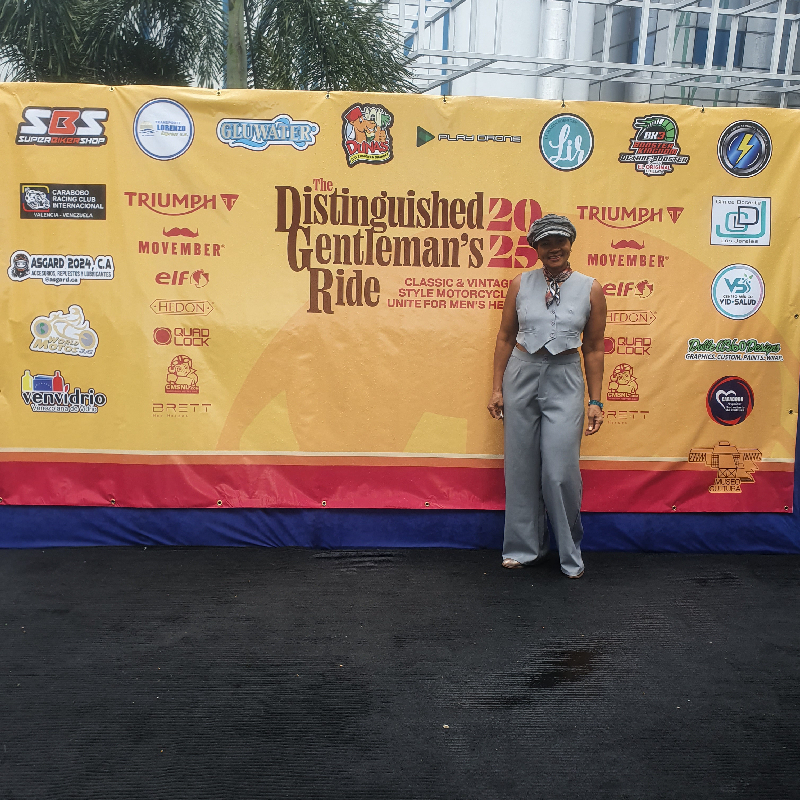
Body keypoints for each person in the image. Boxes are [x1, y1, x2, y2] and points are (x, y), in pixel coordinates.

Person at [487, 214, 606, 578]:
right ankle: (523, 549)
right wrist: (496, 388)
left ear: (570, 244)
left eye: (560, 242)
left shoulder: (590, 288)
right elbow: (505, 337)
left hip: (565, 377)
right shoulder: (520, 284)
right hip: (521, 374)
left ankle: (570, 553)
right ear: (536, 248)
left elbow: (594, 348)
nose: (554, 249)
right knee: (520, 466)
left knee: (559, 470)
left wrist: (596, 401)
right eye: (546, 243)